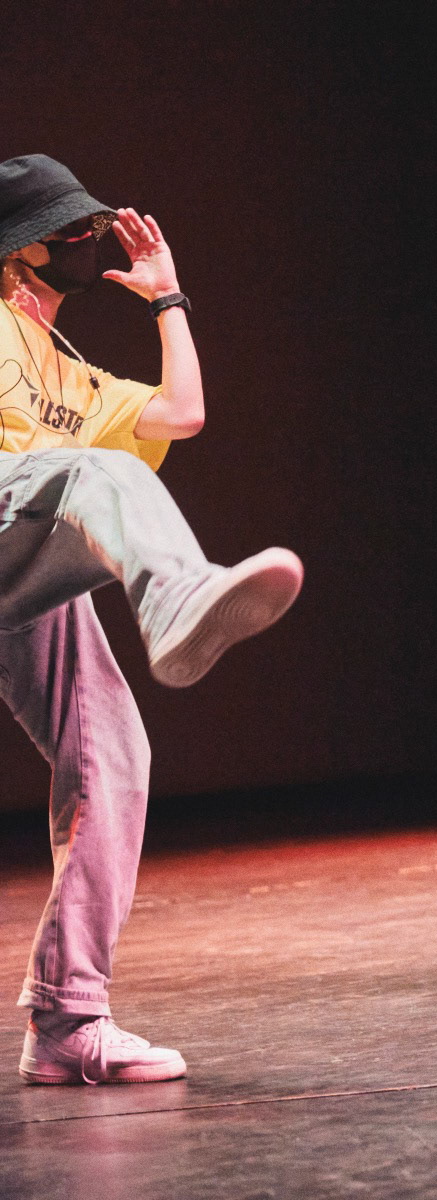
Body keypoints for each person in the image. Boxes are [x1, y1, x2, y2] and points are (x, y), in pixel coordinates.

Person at [2, 154, 304, 1084]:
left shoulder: (72, 370)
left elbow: (183, 411)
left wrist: (168, 299)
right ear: (19, 250)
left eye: (89, 226)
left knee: (115, 755)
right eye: (68, 229)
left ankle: (68, 1018)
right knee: (99, 474)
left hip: (28, 548)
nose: (89, 241)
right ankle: (173, 599)